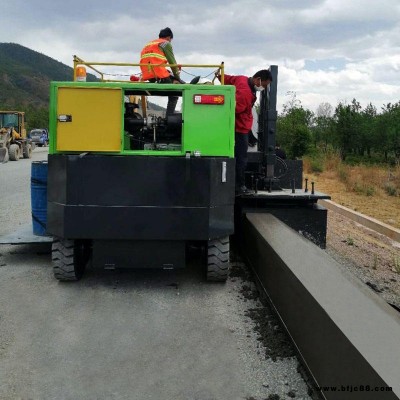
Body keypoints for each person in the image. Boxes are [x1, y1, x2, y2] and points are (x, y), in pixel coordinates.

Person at [219, 69, 273, 194]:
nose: (263, 88)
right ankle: (239, 186)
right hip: (240, 128)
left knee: (239, 156)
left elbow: (228, 79)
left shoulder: (241, 79)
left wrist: (219, 75)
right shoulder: (245, 94)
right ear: (258, 79)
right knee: (241, 158)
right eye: (264, 85)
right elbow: (235, 110)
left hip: (241, 126)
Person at [140, 27, 182, 115]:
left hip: (148, 75)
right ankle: (169, 118)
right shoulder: (165, 43)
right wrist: (178, 77)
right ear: (169, 37)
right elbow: (172, 63)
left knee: (171, 77)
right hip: (159, 74)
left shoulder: (149, 44)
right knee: (175, 92)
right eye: (170, 40)